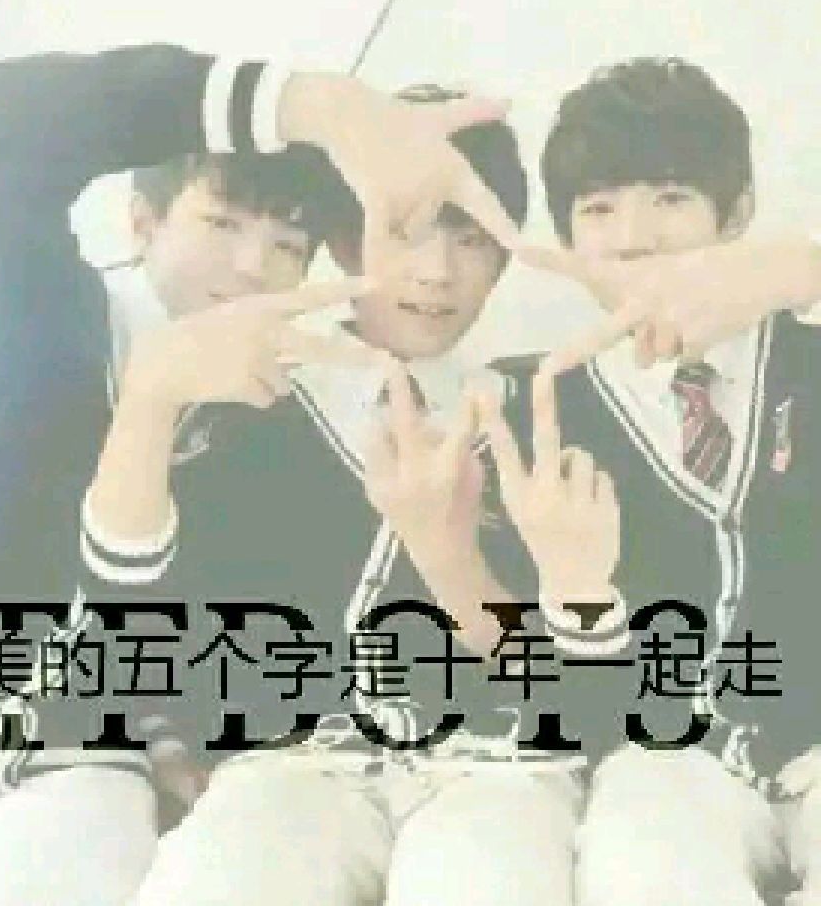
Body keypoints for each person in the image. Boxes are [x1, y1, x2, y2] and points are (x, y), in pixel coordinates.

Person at [0, 44, 520, 906]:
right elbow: (1, 118)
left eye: (287, 245)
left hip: (82, 774)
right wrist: (311, 105)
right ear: (143, 223)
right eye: (222, 224)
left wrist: (169, 728)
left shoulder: (274, 398)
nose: (252, 267)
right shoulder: (34, 315)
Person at [85, 85, 622, 906]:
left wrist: (450, 558)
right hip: (287, 770)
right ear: (340, 238)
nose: (437, 273)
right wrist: (162, 736)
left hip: (492, 772)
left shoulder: (544, 417)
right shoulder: (238, 402)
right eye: (404, 232)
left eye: (472, 240)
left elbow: (566, 688)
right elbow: (138, 608)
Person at [519, 56, 821, 905]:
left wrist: (808, 267)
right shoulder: (538, 408)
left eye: (670, 197)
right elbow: (576, 713)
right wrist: (576, 594)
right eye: (598, 209)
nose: (633, 236)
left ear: (739, 214)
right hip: (665, 766)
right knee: (642, 856)